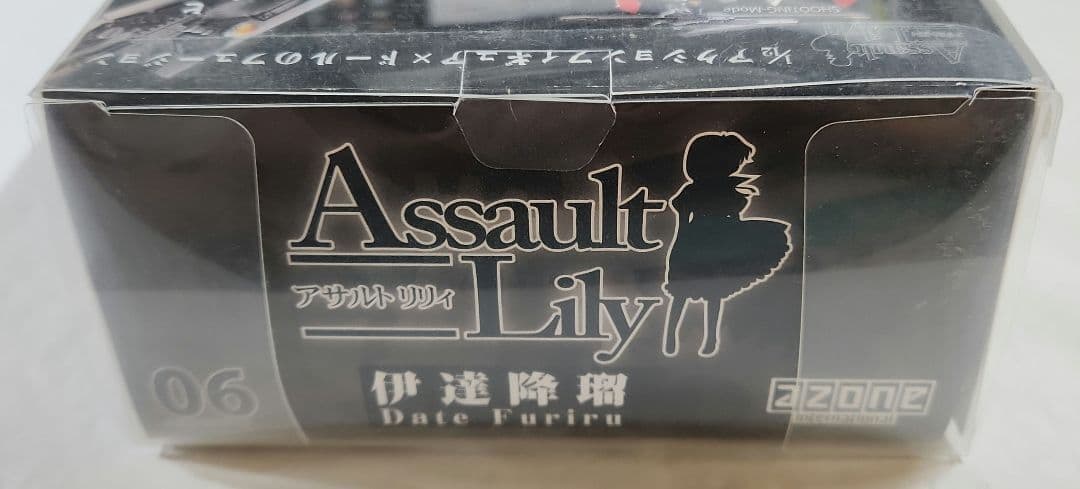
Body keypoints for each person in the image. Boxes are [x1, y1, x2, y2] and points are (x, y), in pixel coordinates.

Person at [662, 132, 792, 357]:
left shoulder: (728, 188)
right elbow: (682, 224)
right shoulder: (694, 191)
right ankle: (671, 337)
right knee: (683, 294)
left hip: (719, 243)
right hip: (696, 244)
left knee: (713, 293)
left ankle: (710, 339)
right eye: (733, 163)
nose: (735, 168)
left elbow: (731, 219)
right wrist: (681, 251)